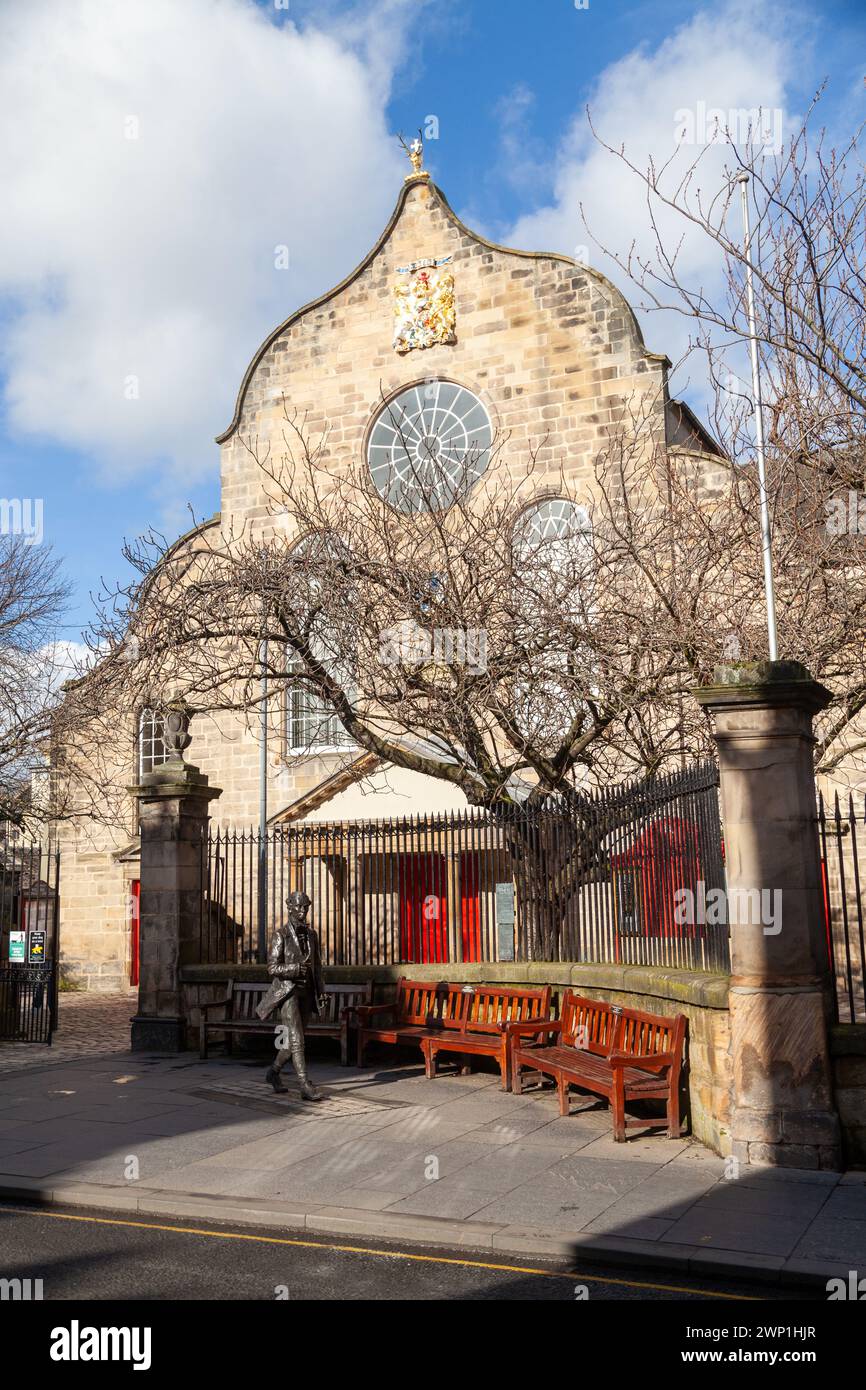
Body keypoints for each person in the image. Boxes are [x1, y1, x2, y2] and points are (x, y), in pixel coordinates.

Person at [255, 889, 326, 1101]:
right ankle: (304, 1084)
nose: (303, 910)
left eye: (306, 906)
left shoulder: (311, 935)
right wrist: (294, 969)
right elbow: (272, 968)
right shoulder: (281, 935)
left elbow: (318, 967)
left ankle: (273, 1072)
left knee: (295, 1040)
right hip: (287, 992)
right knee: (296, 1039)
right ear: (290, 908)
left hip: (307, 992)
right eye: (299, 906)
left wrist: (321, 992)